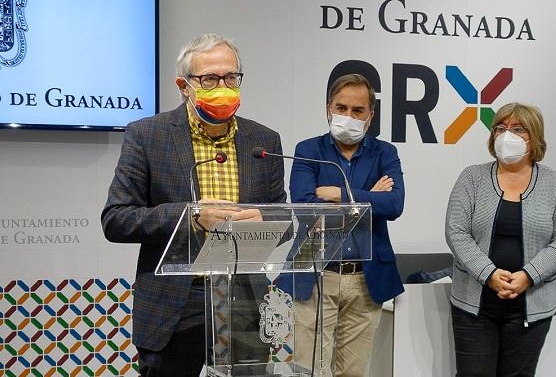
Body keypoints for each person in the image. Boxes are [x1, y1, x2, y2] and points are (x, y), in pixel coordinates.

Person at [101, 33, 286, 377]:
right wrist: (191, 217)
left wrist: (266, 217)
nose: (223, 86)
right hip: (176, 302)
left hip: (243, 298)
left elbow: (283, 214)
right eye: (210, 79)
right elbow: (116, 219)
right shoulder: (148, 135)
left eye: (231, 77)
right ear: (184, 86)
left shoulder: (264, 140)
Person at [445, 102, 556, 377]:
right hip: (474, 307)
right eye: (501, 128)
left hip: (530, 308)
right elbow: (456, 232)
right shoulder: (472, 177)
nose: (508, 135)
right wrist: (489, 274)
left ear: (535, 138)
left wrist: (528, 275)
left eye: (518, 129)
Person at [289, 73, 405, 377]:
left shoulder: (385, 153)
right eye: (341, 108)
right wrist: (368, 201)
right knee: (310, 372)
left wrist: (338, 195)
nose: (348, 116)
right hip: (317, 274)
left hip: (365, 279)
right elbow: (304, 209)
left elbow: (394, 205)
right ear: (328, 108)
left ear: (370, 115)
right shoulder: (308, 150)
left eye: (357, 111)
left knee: (353, 373)